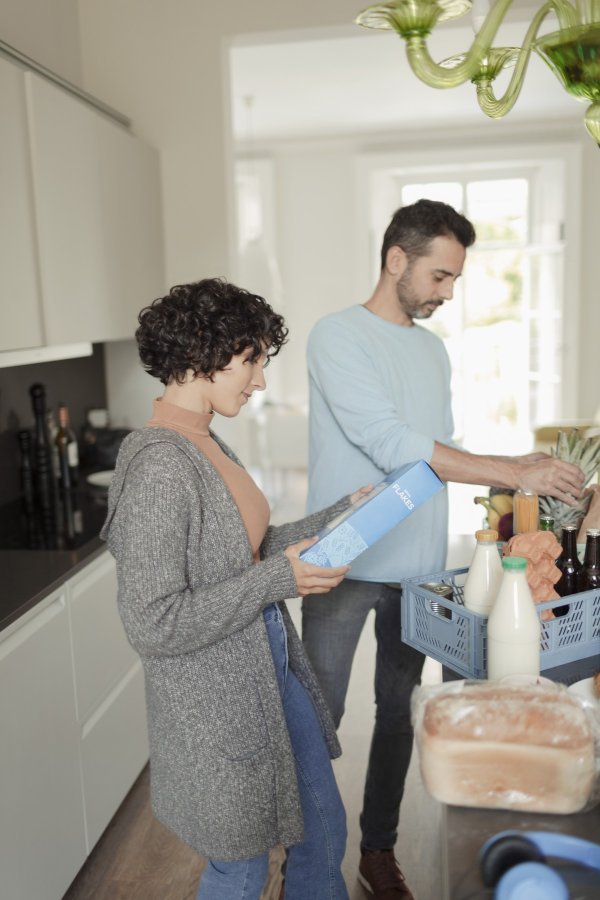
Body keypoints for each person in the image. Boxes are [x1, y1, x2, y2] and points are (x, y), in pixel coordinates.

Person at [301, 199, 585, 900]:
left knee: (401, 712)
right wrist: (511, 470)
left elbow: (441, 451)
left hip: (419, 571)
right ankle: (306, 865)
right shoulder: (335, 337)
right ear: (397, 258)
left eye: (454, 279)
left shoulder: (433, 350)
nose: (447, 292)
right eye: (439, 275)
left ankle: (377, 852)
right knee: (319, 720)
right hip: (338, 565)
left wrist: (513, 470)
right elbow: (393, 445)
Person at [100, 278, 371, 900]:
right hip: (214, 701)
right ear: (200, 355)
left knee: (323, 831)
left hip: (268, 664)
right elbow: (153, 623)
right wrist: (280, 581)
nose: (260, 381)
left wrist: (341, 513)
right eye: (250, 360)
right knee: (241, 865)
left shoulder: (203, 440)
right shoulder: (160, 466)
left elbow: (244, 551)